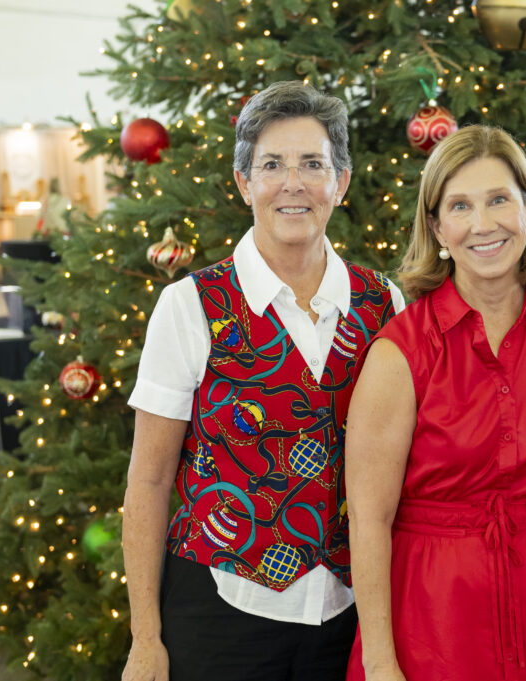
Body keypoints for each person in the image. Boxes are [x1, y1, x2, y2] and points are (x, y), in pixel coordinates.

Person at [121, 80, 405, 681]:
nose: (293, 183)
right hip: (221, 609)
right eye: (271, 164)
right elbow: (148, 481)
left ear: (341, 182)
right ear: (245, 182)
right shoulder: (189, 305)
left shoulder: (385, 304)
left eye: (313, 164)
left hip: (352, 615)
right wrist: (145, 638)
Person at [344, 125, 526, 681]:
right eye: (460, 206)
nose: (483, 224)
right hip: (433, 610)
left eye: (499, 200)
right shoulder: (401, 351)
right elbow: (369, 520)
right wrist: (379, 659)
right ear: (438, 225)